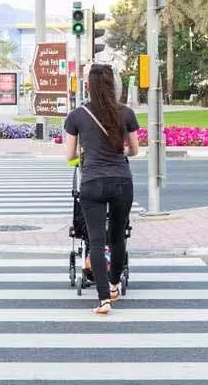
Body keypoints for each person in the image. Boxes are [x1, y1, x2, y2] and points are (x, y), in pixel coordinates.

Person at [64, 64, 139, 315]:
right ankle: (116, 284)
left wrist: (88, 154)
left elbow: (70, 156)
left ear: (88, 86)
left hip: (92, 183)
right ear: (113, 86)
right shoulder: (126, 113)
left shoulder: (76, 116)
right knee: (117, 238)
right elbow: (134, 150)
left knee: (95, 241)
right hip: (121, 181)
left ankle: (104, 299)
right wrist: (117, 151)